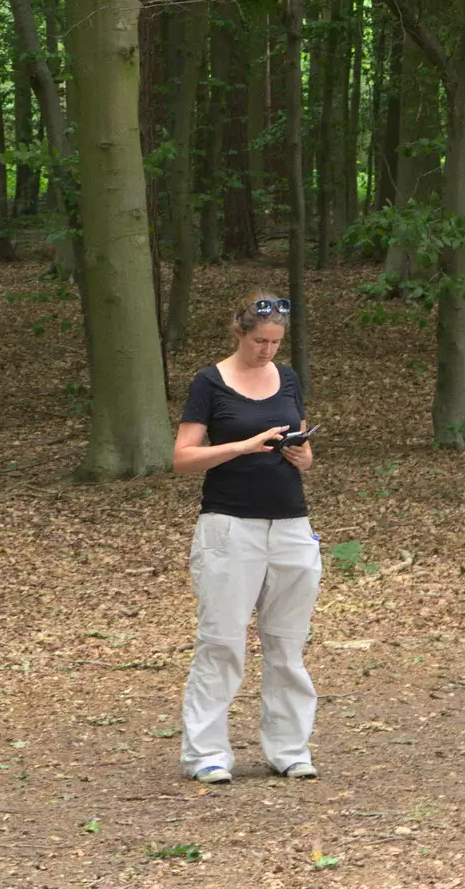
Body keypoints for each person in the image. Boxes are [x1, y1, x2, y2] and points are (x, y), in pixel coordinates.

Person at [172, 291, 320, 783]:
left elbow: (302, 441)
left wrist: (302, 455)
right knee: (221, 642)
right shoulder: (209, 383)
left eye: (276, 342)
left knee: (287, 643)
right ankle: (207, 755)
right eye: (260, 341)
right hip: (229, 526)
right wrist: (243, 446)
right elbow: (183, 457)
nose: (268, 351)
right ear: (239, 333)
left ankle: (289, 749)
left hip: (291, 524)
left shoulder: (290, 378)